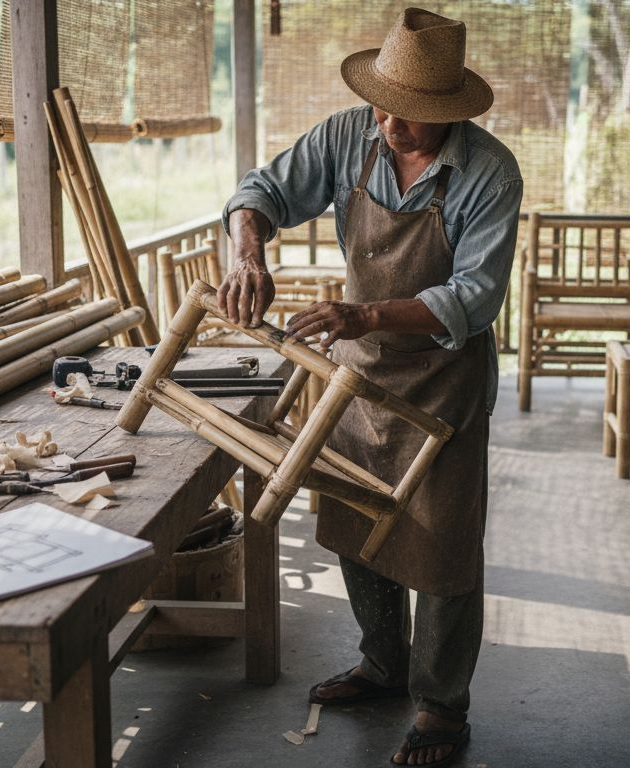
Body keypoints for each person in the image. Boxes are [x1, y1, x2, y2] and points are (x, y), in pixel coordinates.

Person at [218, 7, 521, 766]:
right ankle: (383, 667)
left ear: (449, 113)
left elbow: (475, 296)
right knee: (356, 523)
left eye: (410, 118)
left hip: (444, 379)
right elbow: (260, 190)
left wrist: (365, 312)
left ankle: (443, 709)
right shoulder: (349, 135)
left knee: (443, 547)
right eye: (382, 108)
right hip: (360, 372)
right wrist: (246, 248)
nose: (389, 127)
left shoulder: (489, 172)